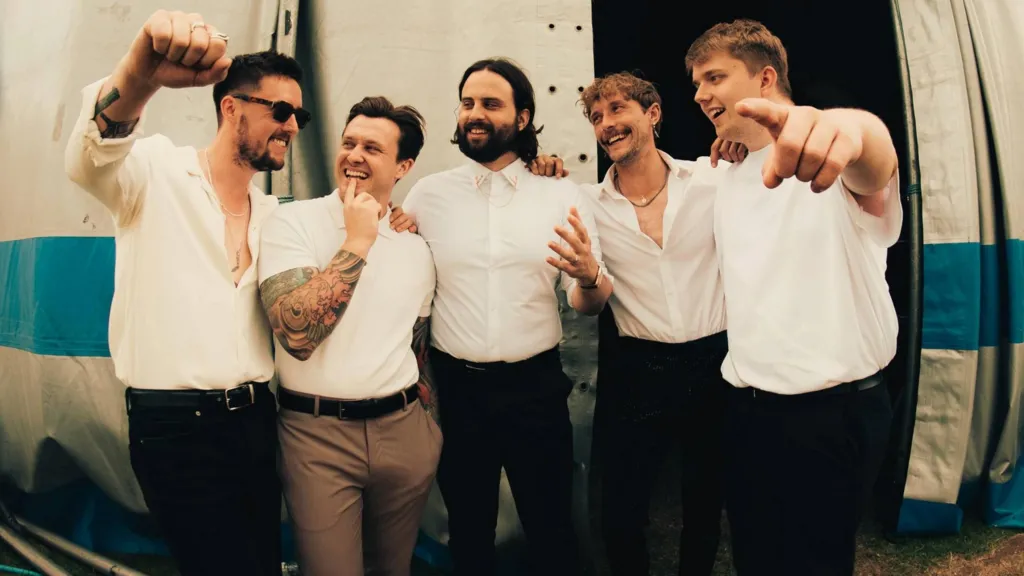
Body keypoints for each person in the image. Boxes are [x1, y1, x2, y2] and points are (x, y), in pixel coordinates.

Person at [64, 9, 309, 576]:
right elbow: (90, 155)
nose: (293, 126)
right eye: (280, 110)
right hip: (174, 427)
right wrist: (141, 72)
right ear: (231, 107)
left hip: (254, 421)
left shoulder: (276, 217)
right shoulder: (155, 172)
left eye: (300, 114)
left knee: (261, 563)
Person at [686, 19, 901, 575]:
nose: (701, 94)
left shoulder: (833, 154)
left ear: (764, 78)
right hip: (748, 410)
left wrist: (848, 130)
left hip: (832, 415)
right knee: (755, 559)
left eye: (714, 77)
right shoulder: (724, 172)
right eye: (696, 83)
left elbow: (872, 156)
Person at [399, 57, 612, 576]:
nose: (475, 113)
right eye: (468, 102)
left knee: (550, 526)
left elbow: (591, 301)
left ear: (522, 118)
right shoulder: (429, 195)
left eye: (491, 104)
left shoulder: (561, 193)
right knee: (469, 528)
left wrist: (587, 277)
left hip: (534, 389)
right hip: (458, 391)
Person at [256, 96, 438, 576]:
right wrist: (358, 240)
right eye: (348, 142)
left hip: (404, 433)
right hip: (317, 438)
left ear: (403, 166)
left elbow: (416, 343)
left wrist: (427, 429)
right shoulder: (293, 223)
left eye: (372, 148)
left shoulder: (416, 248)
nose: (354, 155)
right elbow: (297, 334)